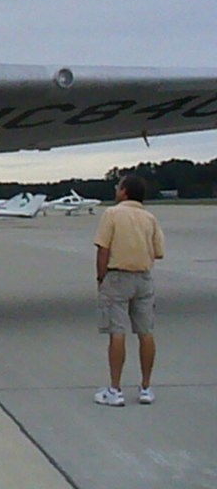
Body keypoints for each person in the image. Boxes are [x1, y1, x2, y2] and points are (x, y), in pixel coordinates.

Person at [94, 174, 166, 406]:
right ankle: (146, 387)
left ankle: (115, 389)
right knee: (146, 332)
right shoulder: (149, 217)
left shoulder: (112, 214)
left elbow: (103, 248)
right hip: (143, 278)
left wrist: (101, 278)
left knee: (117, 331)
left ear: (124, 191)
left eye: (118, 186)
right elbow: (158, 251)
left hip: (117, 276)